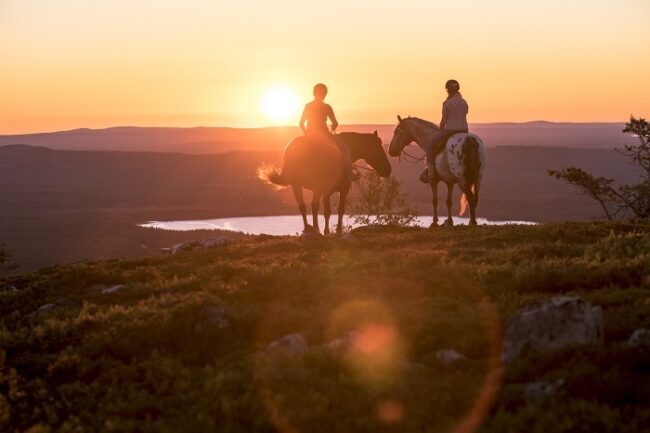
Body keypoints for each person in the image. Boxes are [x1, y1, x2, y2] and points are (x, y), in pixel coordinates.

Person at [299, 83, 354, 183]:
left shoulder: (308, 106)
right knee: (345, 149)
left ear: (314, 93)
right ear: (325, 94)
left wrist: (306, 134)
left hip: (310, 135)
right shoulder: (327, 107)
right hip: (324, 135)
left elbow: (301, 123)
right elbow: (335, 123)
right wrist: (333, 127)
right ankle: (349, 175)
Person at [421, 79, 469, 183]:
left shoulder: (447, 103)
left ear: (448, 90)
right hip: (465, 131)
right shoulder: (464, 102)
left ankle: (431, 174)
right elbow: (465, 114)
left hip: (450, 131)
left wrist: (439, 129)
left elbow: (443, 121)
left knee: (430, 146)